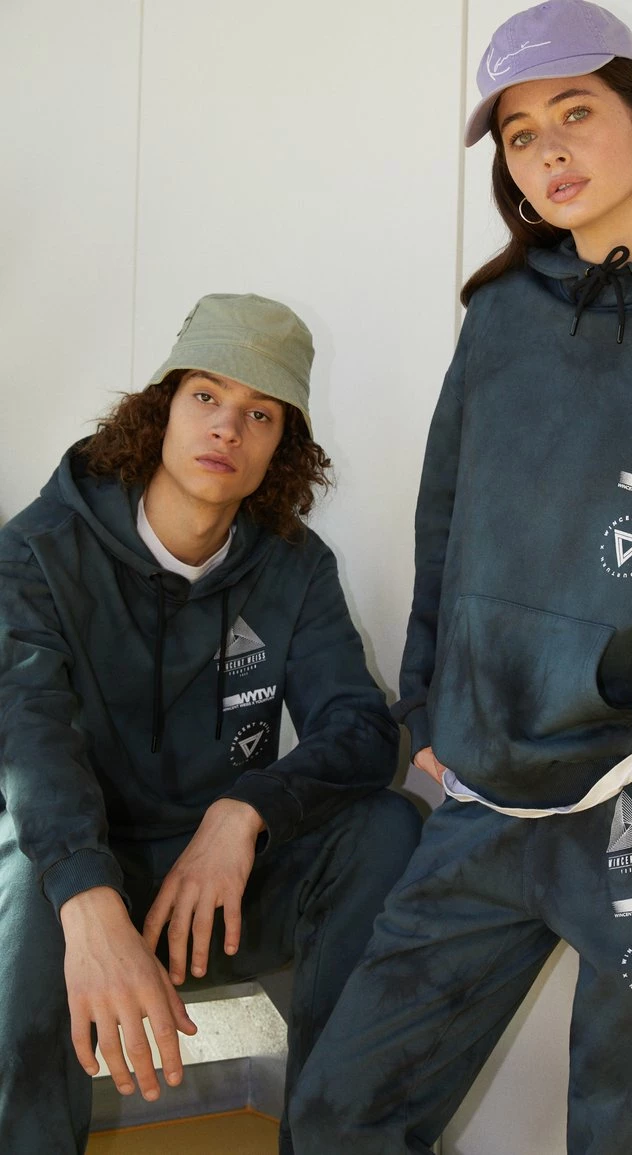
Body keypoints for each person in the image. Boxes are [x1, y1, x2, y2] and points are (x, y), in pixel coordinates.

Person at [289, 2, 632, 1152]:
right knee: (336, 1120)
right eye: (520, 135)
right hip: (479, 803)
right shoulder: (501, 319)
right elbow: (445, 523)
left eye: (575, 114)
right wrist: (427, 705)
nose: (549, 152)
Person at [0, 292, 421, 1155]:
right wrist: (89, 899)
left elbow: (360, 727)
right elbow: (27, 739)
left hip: (212, 891)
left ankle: (336, 1142)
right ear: (160, 409)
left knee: (386, 828)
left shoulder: (295, 567)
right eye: (206, 396)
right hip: (83, 877)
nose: (228, 427)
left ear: (282, 445)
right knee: (24, 862)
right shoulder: (39, 550)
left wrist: (246, 810)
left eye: (260, 413)